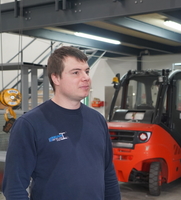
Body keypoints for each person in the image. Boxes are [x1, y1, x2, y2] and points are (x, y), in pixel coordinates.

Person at [2, 46, 121, 200]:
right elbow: (14, 187)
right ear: (56, 78)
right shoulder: (30, 124)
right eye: (76, 72)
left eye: (86, 71)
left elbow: (108, 173)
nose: (85, 77)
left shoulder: (97, 119)